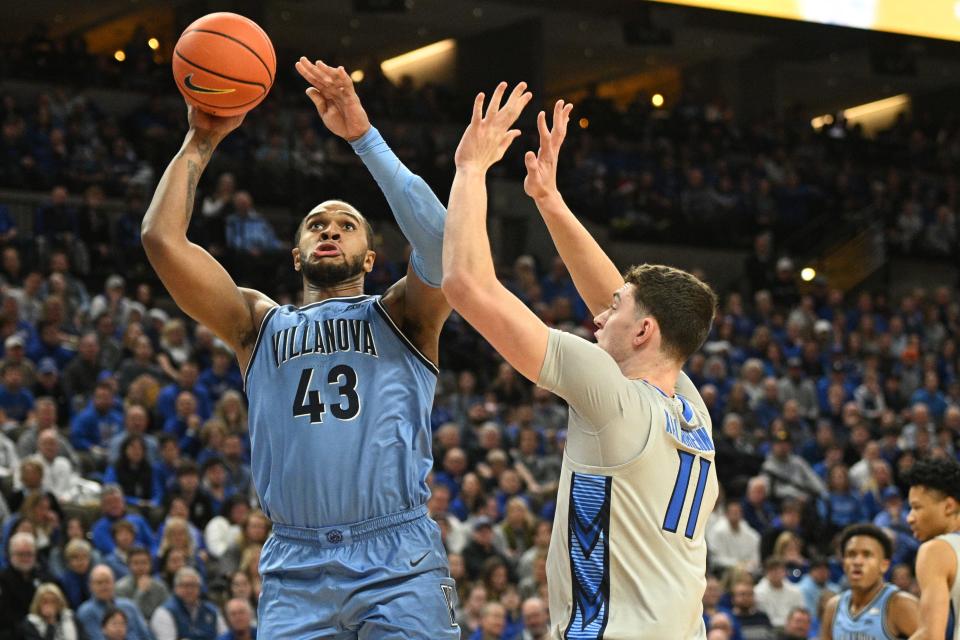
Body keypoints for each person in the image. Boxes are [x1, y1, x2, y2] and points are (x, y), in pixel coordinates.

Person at [141, 56, 456, 638]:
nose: (329, 229)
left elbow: (443, 240)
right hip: (294, 567)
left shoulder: (403, 315)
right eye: (316, 224)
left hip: (397, 557)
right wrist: (201, 139)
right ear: (295, 255)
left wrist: (364, 137)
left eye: (345, 224)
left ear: (370, 258)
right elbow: (161, 239)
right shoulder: (257, 323)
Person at [442, 85, 718, 637]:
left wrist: (471, 168)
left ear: (643, 331)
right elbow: (615, 300)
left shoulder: (611, 397)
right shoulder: (689, 406)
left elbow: (467, 284)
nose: (598, 317)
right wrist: (548, 199)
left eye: (615, 311)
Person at [820, 523, 918, 639]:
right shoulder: (833, 607)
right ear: (843, 563)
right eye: (851, 554)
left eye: (867, 555)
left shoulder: (900, 605)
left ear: (884, 565)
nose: (857, 562)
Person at [902, 457, 960, 639]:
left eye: (916, 507)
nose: (909, 518)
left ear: (949, 506)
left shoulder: (937, 550)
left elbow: (931, 635)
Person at [75, 564, 152, 640]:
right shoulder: (86, 612)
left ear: (114, 583)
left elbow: (146, 634)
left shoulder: (129, 606)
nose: (104, 586)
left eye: (107, 582)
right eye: (99, 583)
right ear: (90, 586)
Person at [150, 567, 225, 640]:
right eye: (185, 586)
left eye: (193, 585)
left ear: (199, 588)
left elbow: (225, 636)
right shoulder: (164, 612)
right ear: (176, 588)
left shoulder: (212, 611)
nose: (190, 590)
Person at [16, 582, 85, 640]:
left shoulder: (70, 616)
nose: (49, 605)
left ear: (60, 602)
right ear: (38, 603)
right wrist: (50, 622)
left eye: (53, 601)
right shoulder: (30, 623)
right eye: (45, 601)